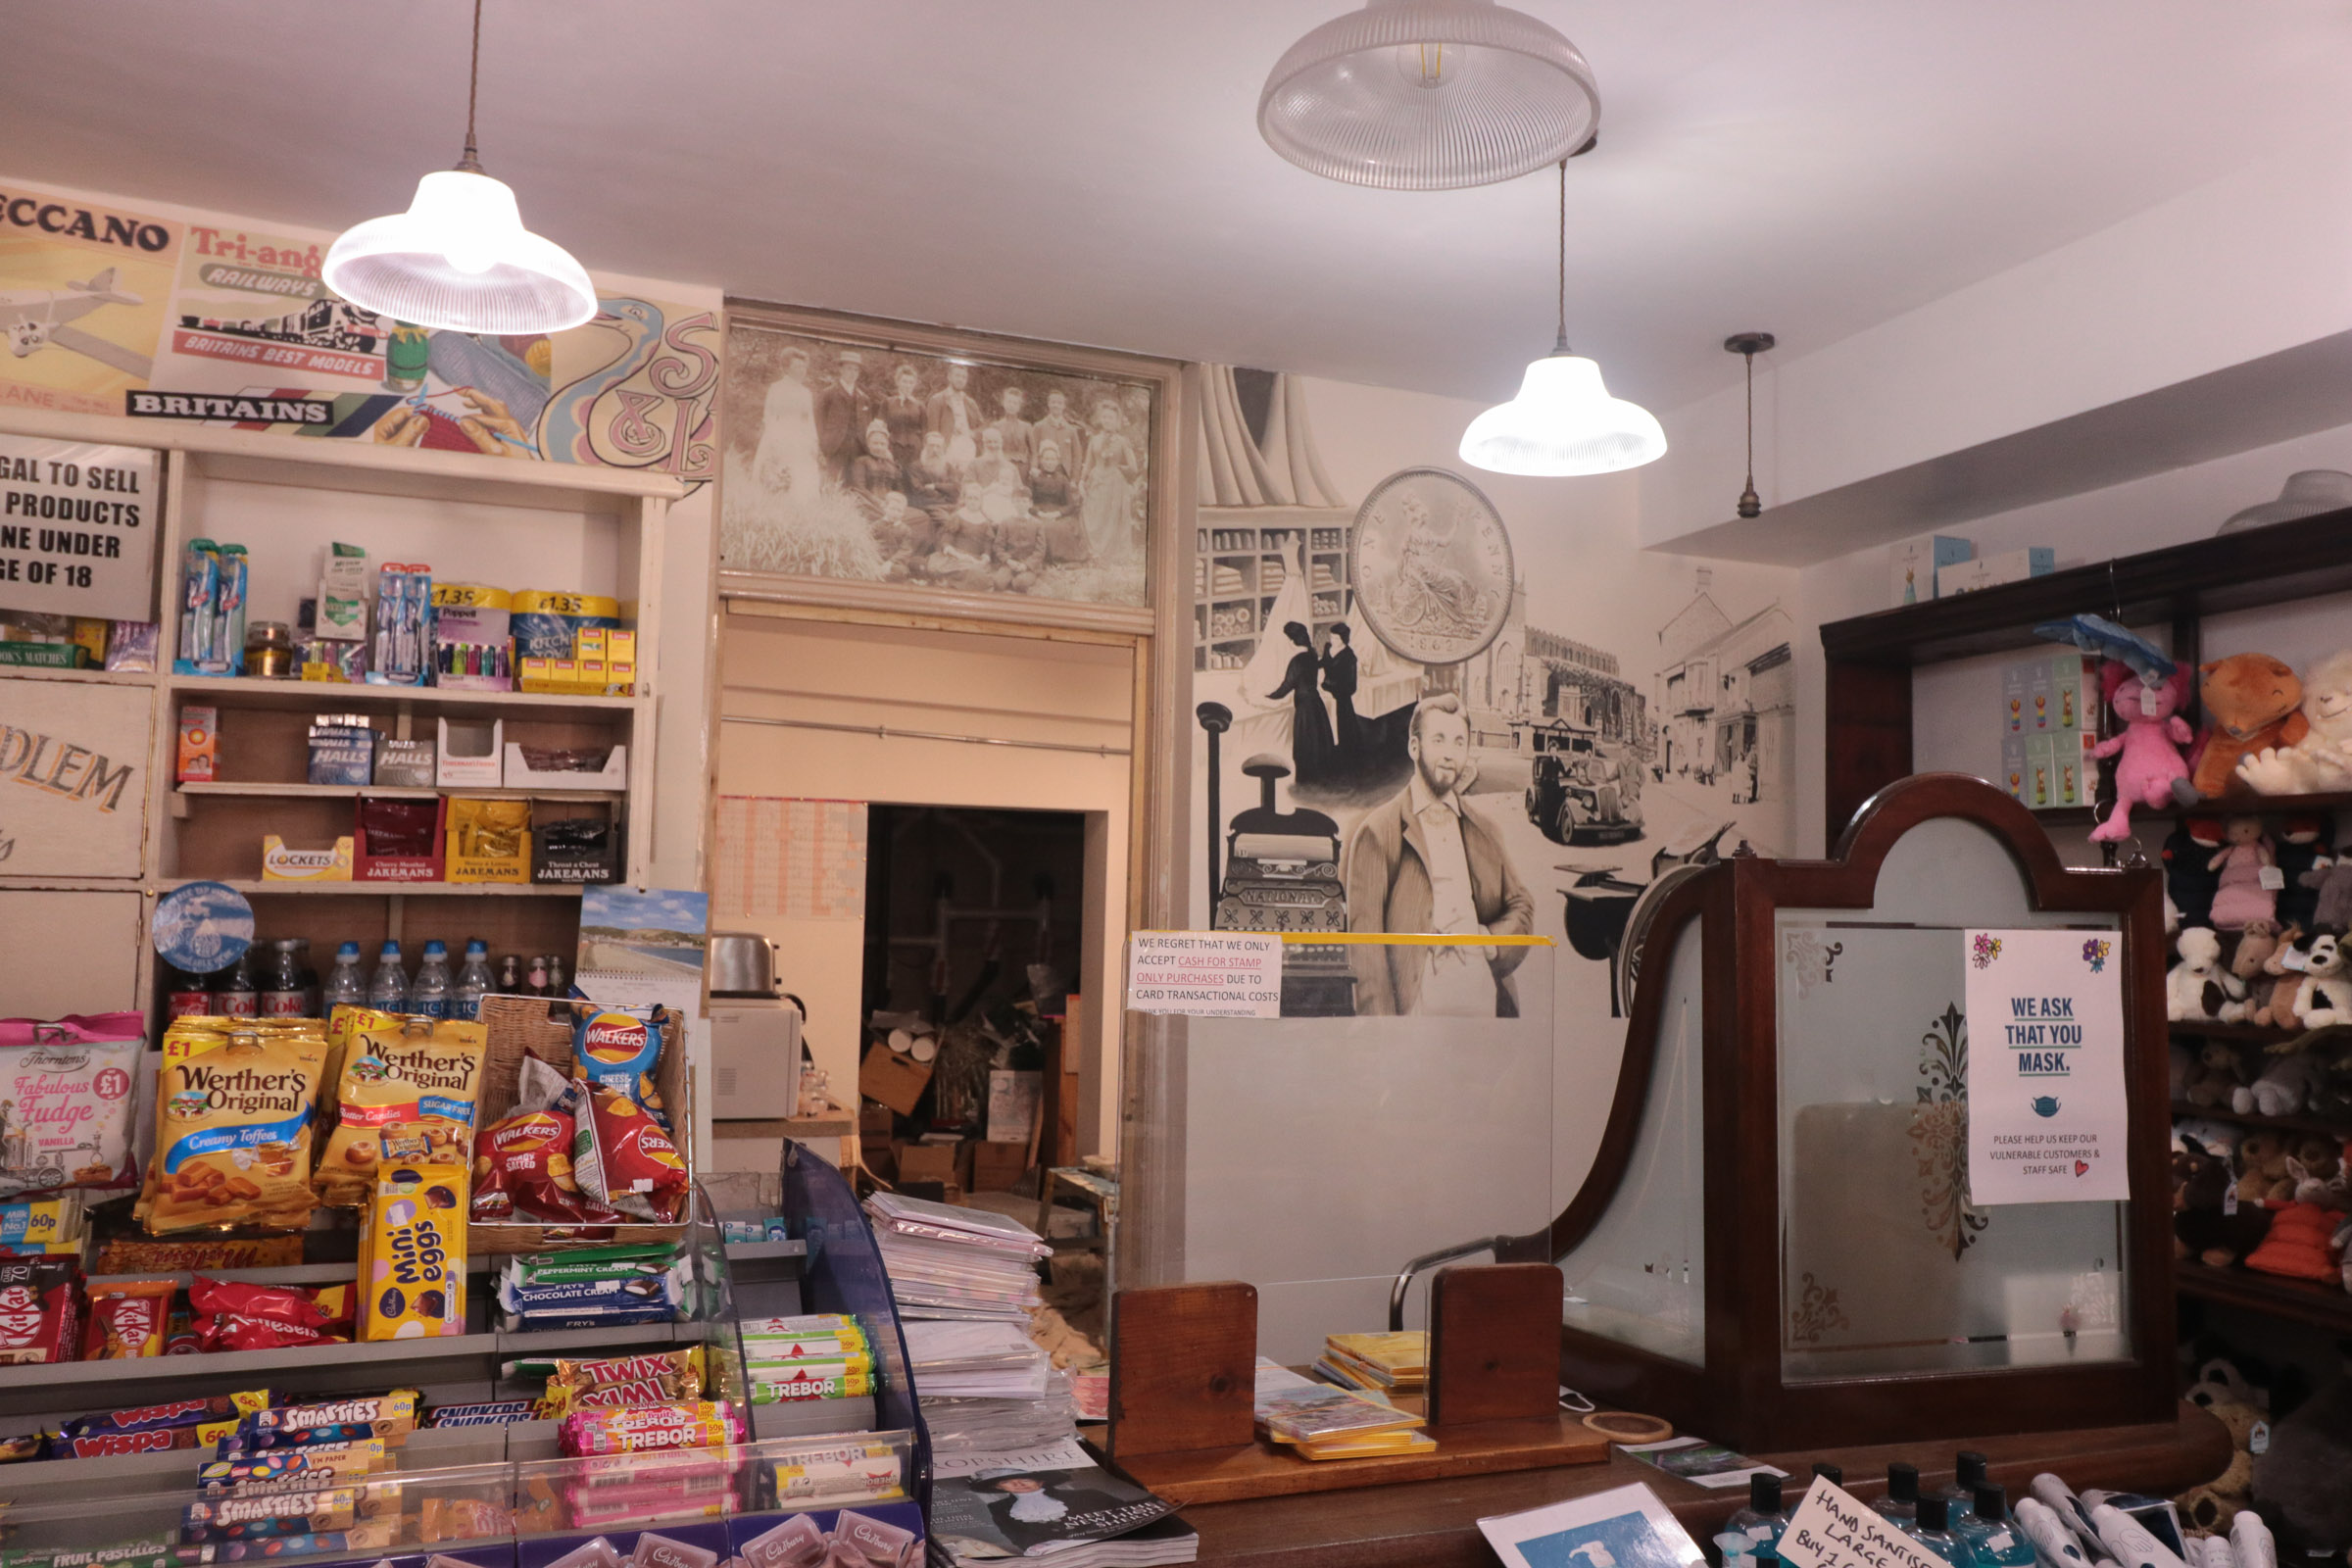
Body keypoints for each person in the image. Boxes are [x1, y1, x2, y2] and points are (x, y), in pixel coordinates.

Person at [1343, 692, 1534, 1016]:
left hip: (1481, 998)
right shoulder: (1378, 831)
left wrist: (1488, 939)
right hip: (1415, 1003)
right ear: (1414, 747)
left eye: (1459, 743)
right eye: (1439, 740)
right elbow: (1365, 950)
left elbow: (1522, 907)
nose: (1450, 754)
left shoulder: (1485, 829)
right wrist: (1383, 1035)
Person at [1268, 620, 1336, 787]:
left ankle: (1307, 782)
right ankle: (1321, 779)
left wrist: (1269, 697)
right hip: (1316, 703)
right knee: (1318, 741)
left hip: (1305, 707)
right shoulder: (1310, 655)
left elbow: (1286, 687)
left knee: (1306, 744)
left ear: (1292, 641)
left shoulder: (1297, 660)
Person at [752, 347, 822, 500]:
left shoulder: (806, 393)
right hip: (778, 435)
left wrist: (813, 442)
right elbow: (769, 416)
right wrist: (773, 439)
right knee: (777, 474)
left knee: (803, 478)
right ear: (787, 368)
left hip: (800, 439)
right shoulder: (776, 389)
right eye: (797, 366)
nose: (802, 370)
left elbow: (809, 420)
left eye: (803, 367)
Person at [1078, 398, 1140, 561]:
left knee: (1110, 517)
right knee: (1092, 514)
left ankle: (1108, 553)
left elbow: (1134, 468)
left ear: (1117, 420)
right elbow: (1088, 463)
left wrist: (1119, 469)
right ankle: (1093, 550)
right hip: (1096, 480)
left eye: (1111, 418)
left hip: (1114, 483)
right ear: (1101, 418)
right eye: (1104, 417)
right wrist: (1081, 481)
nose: (1107, 420)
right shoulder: (1094, 440)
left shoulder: (1122, 441)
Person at [814, 350, 873, 483]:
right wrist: (823, 445)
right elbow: (819, 422)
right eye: (849, 369)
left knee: (856, 484)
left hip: (859, 448)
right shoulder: (828, 393)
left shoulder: (864, 398)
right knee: (834, 484)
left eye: (855, 370)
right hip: (836, 446)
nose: (852, 373)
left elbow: (867, 423)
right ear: (840, 370)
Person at [1029, 439, 1087, 563]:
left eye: (1053, 459)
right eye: (1047, 459)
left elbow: (1070, 505)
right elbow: (1029, 501)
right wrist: (1040, 513)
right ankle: (1043, 558)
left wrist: (1057, 513)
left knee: (1060, 528)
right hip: (1039, 512)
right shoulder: (1035, 479)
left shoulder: (1063, 479)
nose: (1050, 462)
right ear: (1041, 460)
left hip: (1058, 513)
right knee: (1041, 526)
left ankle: (1060, 558)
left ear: (1057, 461)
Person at [925, 361, 984, 473]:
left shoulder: (969, 402)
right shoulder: (937, 400)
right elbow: (933, 430)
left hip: (967, 447)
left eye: (963, 377)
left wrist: (973, 433)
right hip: (946, 446)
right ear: (949, 377)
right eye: (957, 375)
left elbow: (982, 426)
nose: (960, 379)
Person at [904, 428, 960, 529]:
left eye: (938, 446)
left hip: (950, 506)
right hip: (929, 506)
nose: (935, 450)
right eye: (931, 445)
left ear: (943, 448)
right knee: (950, 524)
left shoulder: (948, 467)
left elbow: (956, 489)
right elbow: (918, 490)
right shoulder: (914, 467)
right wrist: (945, 492)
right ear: (925, 446)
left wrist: (935, 486)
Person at [1322, 622, 1360, 764]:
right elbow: (1324, 664)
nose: (1333, 641)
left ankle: (1345, 755)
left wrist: (1334, 690)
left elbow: (1352, 685)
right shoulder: (1328, 648)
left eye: (1336, 639)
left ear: (1344, 639)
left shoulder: (1349, 657)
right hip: (1326, 690)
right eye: (1332, 637)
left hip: (1341, 697)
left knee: (1344, 727)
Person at [845, 418, 902, 510]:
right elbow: (860, 488)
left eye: (882, 444)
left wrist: (897, 503)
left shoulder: (890, 464)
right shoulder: (861, 461)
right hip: (869, 505)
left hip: (890, 507)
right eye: (875, 443)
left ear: (887, 446)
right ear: (868, 444)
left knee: (921, 516)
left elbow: (898, 489)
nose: (879, 447)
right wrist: (879, 503)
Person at [1033, 388, 1088, 479]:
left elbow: (1077, 456)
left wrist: (1074, 478)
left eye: (1059, 403)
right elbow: (1033, 452)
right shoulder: (1039, 427)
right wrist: (1034, 469)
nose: (1056, 405)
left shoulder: (1071, 430)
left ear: (1064, 406)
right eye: (1053, 402)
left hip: (1064, 475)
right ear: (1048, 404)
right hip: (1043, 474)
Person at [880, 362, 927, 469]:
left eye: (911, 382)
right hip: (893, 446)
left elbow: (925, 430)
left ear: (914, 384)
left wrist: (924, 450)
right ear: (898, 382)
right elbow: (881, 427)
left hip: (914, 448)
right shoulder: (888, 402)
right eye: (904, 381)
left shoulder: (920, 406)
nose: (907, 385)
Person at [987, 385, 1037, 476]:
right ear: (1003, 403)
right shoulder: (996, 426)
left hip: (1022, 469)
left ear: (1019, 407)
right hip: (1001, 467)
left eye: (1015, 403)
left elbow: (1033, 452)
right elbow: (989, 450)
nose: (1011, 405)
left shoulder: (1026, 426)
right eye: (1009, 401)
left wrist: (1033, 467)